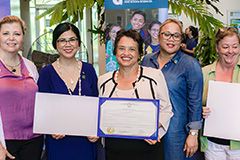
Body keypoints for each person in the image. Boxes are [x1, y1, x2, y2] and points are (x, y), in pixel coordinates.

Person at [98, 29, 173, 160]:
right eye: (121, 48)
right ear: (115, 51)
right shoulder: (104, 80)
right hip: (114, 150)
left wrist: (155, 131)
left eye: (132, 49)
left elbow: (166, 109)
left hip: (147, 148)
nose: (126, 53)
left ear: (139, 53)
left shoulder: (154, 76)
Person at [141, 19, 203, 160]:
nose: (171, 39)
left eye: (176, 35)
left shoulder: (190, 64)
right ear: (158, 36)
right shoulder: (146, 61)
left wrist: (193, 134)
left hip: (176, 133)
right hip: (149, 129)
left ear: (181, 39)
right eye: (167, 34)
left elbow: (195, 101)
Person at [37, 22, 98, 160]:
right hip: (59, 141)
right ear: (55, 44)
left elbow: (96, 104)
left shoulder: (88, 70)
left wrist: (95, 130)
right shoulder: (47, 73)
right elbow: (43, 110)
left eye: (72, 39)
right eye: (62, 40)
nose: (68, 44)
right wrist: (51, 128)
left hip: (86, 141)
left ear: (78, 43)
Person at [0, 15, 43, 160]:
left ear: (23, 37)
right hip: (4, 141)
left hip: (34, 139)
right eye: (6, 33)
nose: (11, 38)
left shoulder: (30, 66)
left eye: (17, 34)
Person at [201, 27, 240, 160]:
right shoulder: (204, 73)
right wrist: (200, 110)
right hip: (212, 144)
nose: (230, 51)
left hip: (238, 145)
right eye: (225, 47)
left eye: (235, 46)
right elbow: (195, 103)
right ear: (217, 48)